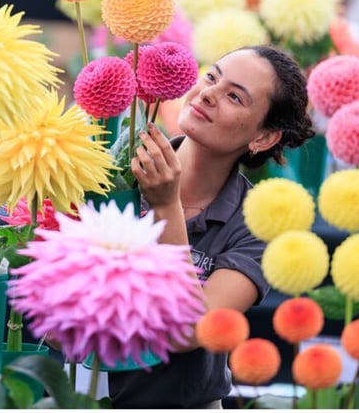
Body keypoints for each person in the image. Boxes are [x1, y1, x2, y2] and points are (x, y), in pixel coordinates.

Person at [108, 44, 315, 409]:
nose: (207, 95)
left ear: (263, 137)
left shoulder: (258, 224)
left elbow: (191, 329)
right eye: (212, 77)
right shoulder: (116, 172)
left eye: (234, 96)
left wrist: (165, 206)